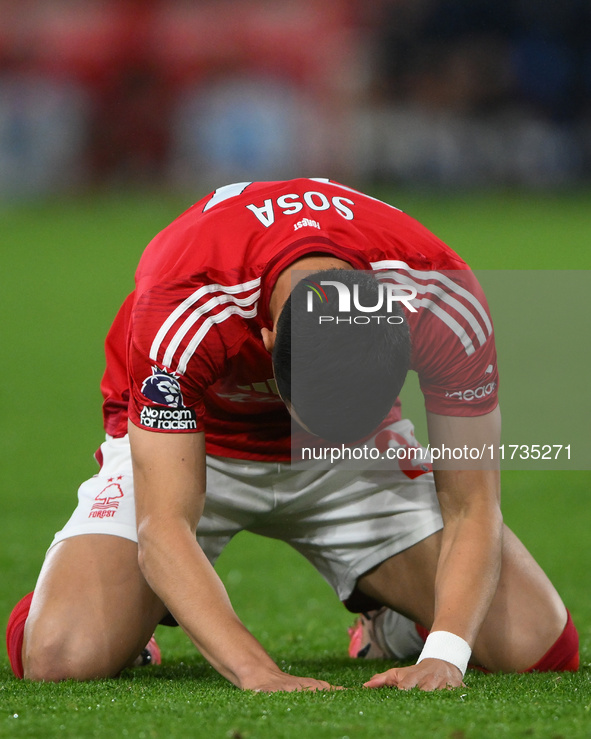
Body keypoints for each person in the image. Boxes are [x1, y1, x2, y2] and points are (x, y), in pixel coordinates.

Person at [6, 178, 578, 691]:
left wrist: (447, 655)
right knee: (60, 656)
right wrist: (256, 670)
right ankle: (126, 617)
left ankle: (395, 623)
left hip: (356, 460)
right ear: (268, 332)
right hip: (195, 447)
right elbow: (165, 523)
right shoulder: (185, 297)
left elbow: (473, 506)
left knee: (538, 644)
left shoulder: (441, 296)